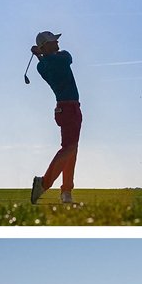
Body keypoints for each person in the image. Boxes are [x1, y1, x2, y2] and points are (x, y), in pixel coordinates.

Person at [29, 30, 81, 205]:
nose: (58, 43)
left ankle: (66, 191)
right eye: (53, 41)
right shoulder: (56, 60)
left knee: (71, 150)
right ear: (45, 46)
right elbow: (64, 59)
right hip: (67, 108)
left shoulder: (43, 63)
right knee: (69, 149)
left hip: (70, 107)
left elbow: (52, 61)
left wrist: (40, 55)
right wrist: (41, 56)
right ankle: (43, 183)